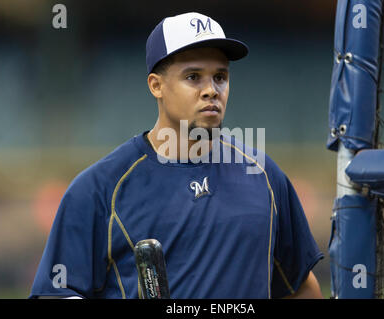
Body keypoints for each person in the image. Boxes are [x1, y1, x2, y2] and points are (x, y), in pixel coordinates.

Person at [30, 12, 324, 299]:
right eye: (193, 76)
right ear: (156, 85)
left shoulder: (263, 175)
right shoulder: (100, 188)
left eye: (220, 77)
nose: (211, 90)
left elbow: (298, 286)